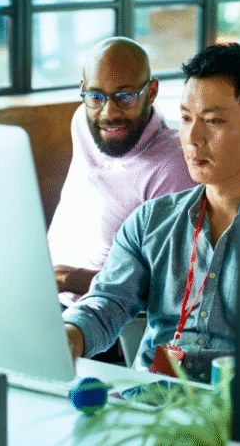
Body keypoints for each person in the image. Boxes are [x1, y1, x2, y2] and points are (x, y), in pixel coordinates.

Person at [62, 43, 240, 383]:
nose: (193, 138)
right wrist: (70, 334)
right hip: (150, 406)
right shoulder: (150, 222)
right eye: (186, 118)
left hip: (239, 418)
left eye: (213, 121)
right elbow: (106, 304)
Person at [47, 37, 196, 302]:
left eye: (124, 97)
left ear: (151, 91)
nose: (108, 113)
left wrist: (67, 279)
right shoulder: (83, 122)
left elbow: (168, 285)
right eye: (95, 96)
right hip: (45, 294)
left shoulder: (172, 166)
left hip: (94, 319)